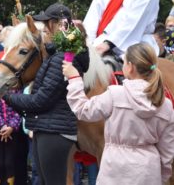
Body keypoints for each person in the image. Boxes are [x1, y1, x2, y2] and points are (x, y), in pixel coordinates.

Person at [2, 3, 90, 185]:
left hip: (54, 132)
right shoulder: (56, 55)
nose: (44, 30)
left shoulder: (61, 59)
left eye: (46, 24)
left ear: (57, 25)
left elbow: (40, 101)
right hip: (48, 129)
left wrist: (7, 96)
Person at [63, 42, 174, 184]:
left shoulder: (115, 95)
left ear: (130, 67)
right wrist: (160, 177)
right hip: (148, 172)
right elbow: (167, 152)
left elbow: (82, 110)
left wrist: (74, 79)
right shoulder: (165, 105)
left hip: (114, 171)